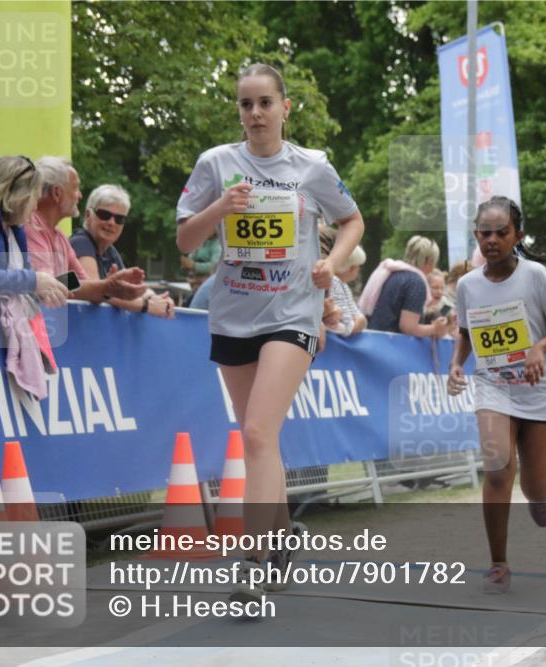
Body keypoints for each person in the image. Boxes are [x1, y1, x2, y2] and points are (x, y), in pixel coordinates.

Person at [175, 63, 363, 605]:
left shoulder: (312, 166)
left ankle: (253, 561)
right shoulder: (216, 163)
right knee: (262, 440)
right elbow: (187, 241)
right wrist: (220, 206)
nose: (255, 114)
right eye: (245, 104)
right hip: (233, 314)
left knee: (256, 434)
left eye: (264, 103)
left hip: (293, 314)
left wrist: (334, 260)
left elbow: (352, 219)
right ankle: (280, 540)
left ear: (285, 107)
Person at [447, 196, 546, 594]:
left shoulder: (535, 276)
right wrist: (456, 363)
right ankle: (498, 563)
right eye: (485, 233)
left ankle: (538, 496)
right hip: (493, 386)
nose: (492, 240)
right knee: (499, 466)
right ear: (476, 236)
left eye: (502, 232)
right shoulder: (467, 284)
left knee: (537, 487)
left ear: (518, 235)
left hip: (537, 390)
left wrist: (539, 348)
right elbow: (467, 332)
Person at [27, 157, 146, 303]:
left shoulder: (60, 237)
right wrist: (105, 287)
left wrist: (106, 287)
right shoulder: (31, 226)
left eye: (120, 219)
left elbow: (82, 284)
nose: (80, 195)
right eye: (76, 188)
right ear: (57, 193)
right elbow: (48, 288)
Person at [0, 155, 69, 307]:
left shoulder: (15, 228)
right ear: (21, 195)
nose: (36, 207)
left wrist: (46, 290)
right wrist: (34, 281)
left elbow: (20, 285)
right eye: (35, 199)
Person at [72, 185, 175, 318]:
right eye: (104, 215)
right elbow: (95, 290)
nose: (111, 223)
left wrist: (156, 299)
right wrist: (146, 306)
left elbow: (133, 288)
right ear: (87, 215)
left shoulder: (110, 251)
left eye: (119, 219)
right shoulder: (81, 242)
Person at [359, 235, 448, 338]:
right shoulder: (416, 283)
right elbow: (408, 327)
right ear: (429, 261)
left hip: (375, 337)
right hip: (393, 345)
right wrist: (435, 329)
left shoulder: (391, 273)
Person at [180, 227, 221, 300]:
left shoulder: (218, 244)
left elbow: (214, 266)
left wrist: (194, 265)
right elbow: (190, 257)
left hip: (207, 283)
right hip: (195, 282)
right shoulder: (200, 242)